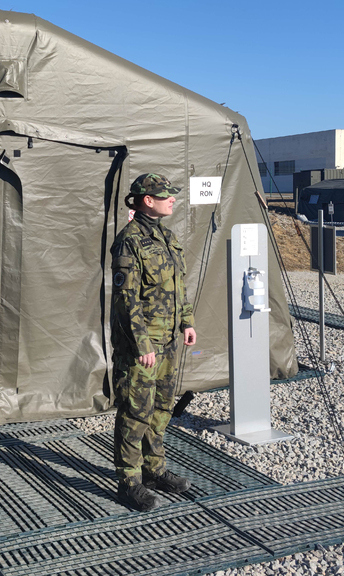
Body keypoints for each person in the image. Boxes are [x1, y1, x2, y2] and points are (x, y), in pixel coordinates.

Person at [110, 172, 197, 511]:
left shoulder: (167, 237)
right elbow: (126, 299)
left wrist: (187, 321)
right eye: (166, 195)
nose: (172, 199)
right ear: (148, 200)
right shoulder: (129, 241)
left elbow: (179, 286)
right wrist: (141, 343)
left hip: (169, 340)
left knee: (162, 408)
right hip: (143, 346)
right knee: (135, 412)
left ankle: (154, 470)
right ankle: (128, 482)